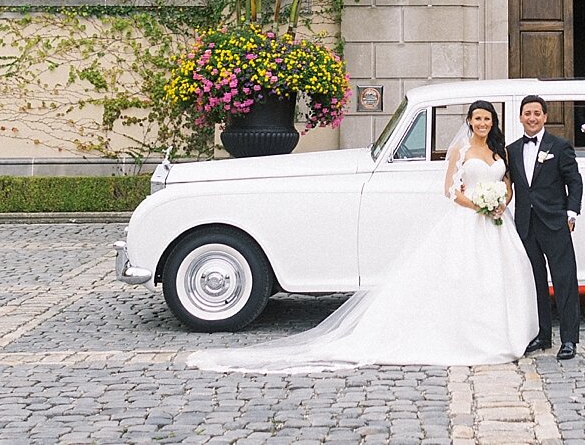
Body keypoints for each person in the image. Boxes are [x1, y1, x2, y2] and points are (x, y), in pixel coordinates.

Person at [188, 101, 537, 374]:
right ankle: (467, 335)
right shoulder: (461, 151)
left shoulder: (499, 151)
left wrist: (499, 204)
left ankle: (499, 334)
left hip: (496, 224)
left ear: (493, 122)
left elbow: (506, 185)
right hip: (468, 219)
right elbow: (450, 189)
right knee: (458, 279)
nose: (482, 124)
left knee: (496, 279)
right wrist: (479, 204)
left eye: (487, 119)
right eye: (477, 119)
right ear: (469, 122)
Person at [508, 94, 584, 361]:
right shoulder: (513, 149)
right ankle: (542, 335)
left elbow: (574, 182)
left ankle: (569, 340)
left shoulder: (560, 146)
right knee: (535, 282)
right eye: (527, 113)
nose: (532, 117)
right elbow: (508, 186)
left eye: (537, 113)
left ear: (545, 117)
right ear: (520, 117)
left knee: (564, 281)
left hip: (555, 223)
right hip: (526, 225)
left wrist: (571, 213)